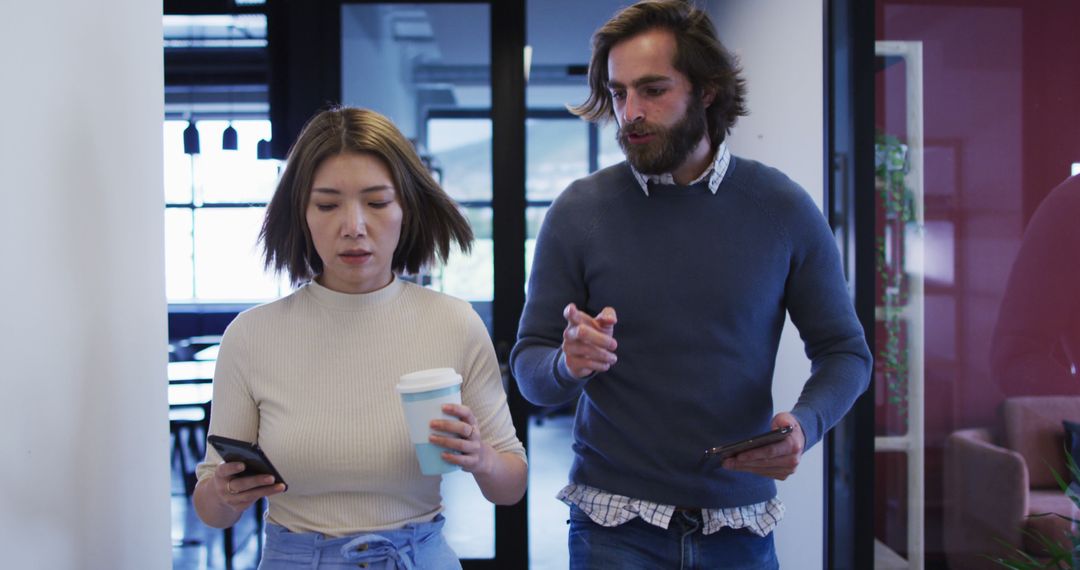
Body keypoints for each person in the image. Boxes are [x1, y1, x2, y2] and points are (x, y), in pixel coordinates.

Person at [510, 1, 872, 568]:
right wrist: (567, 363)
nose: (630, 112)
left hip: (739, 527)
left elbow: (846, 353)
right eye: (619, 92)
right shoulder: (579, 212)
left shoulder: (781, 208)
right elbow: (530, 370)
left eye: (652, 90)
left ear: (706, 90)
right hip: (612, 525)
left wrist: (805, 425)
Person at [193, 106, 527, 569]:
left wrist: (482, 458)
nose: (353, 226)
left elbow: (511, 487)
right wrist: (225, 492)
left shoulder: (454, 323)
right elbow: (210, 512)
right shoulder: (252, 337)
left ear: (406, 208)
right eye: (328, 204)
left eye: (376, 202)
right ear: (302, 214)